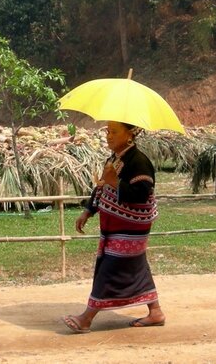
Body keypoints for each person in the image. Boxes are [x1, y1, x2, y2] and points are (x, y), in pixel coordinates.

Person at [62, 119, 166, 333]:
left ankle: (86, 318)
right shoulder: (115, 158)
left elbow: (141, 194)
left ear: (130, 134)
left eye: (114, 132)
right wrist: (89, 210)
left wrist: (115, 182)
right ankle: (155, 311)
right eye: (108, 131)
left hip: (131, 229)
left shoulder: (139, 162)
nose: (108, 136)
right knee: (135, 266)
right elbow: (102, 186)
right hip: (117, 227)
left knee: (109, 269)